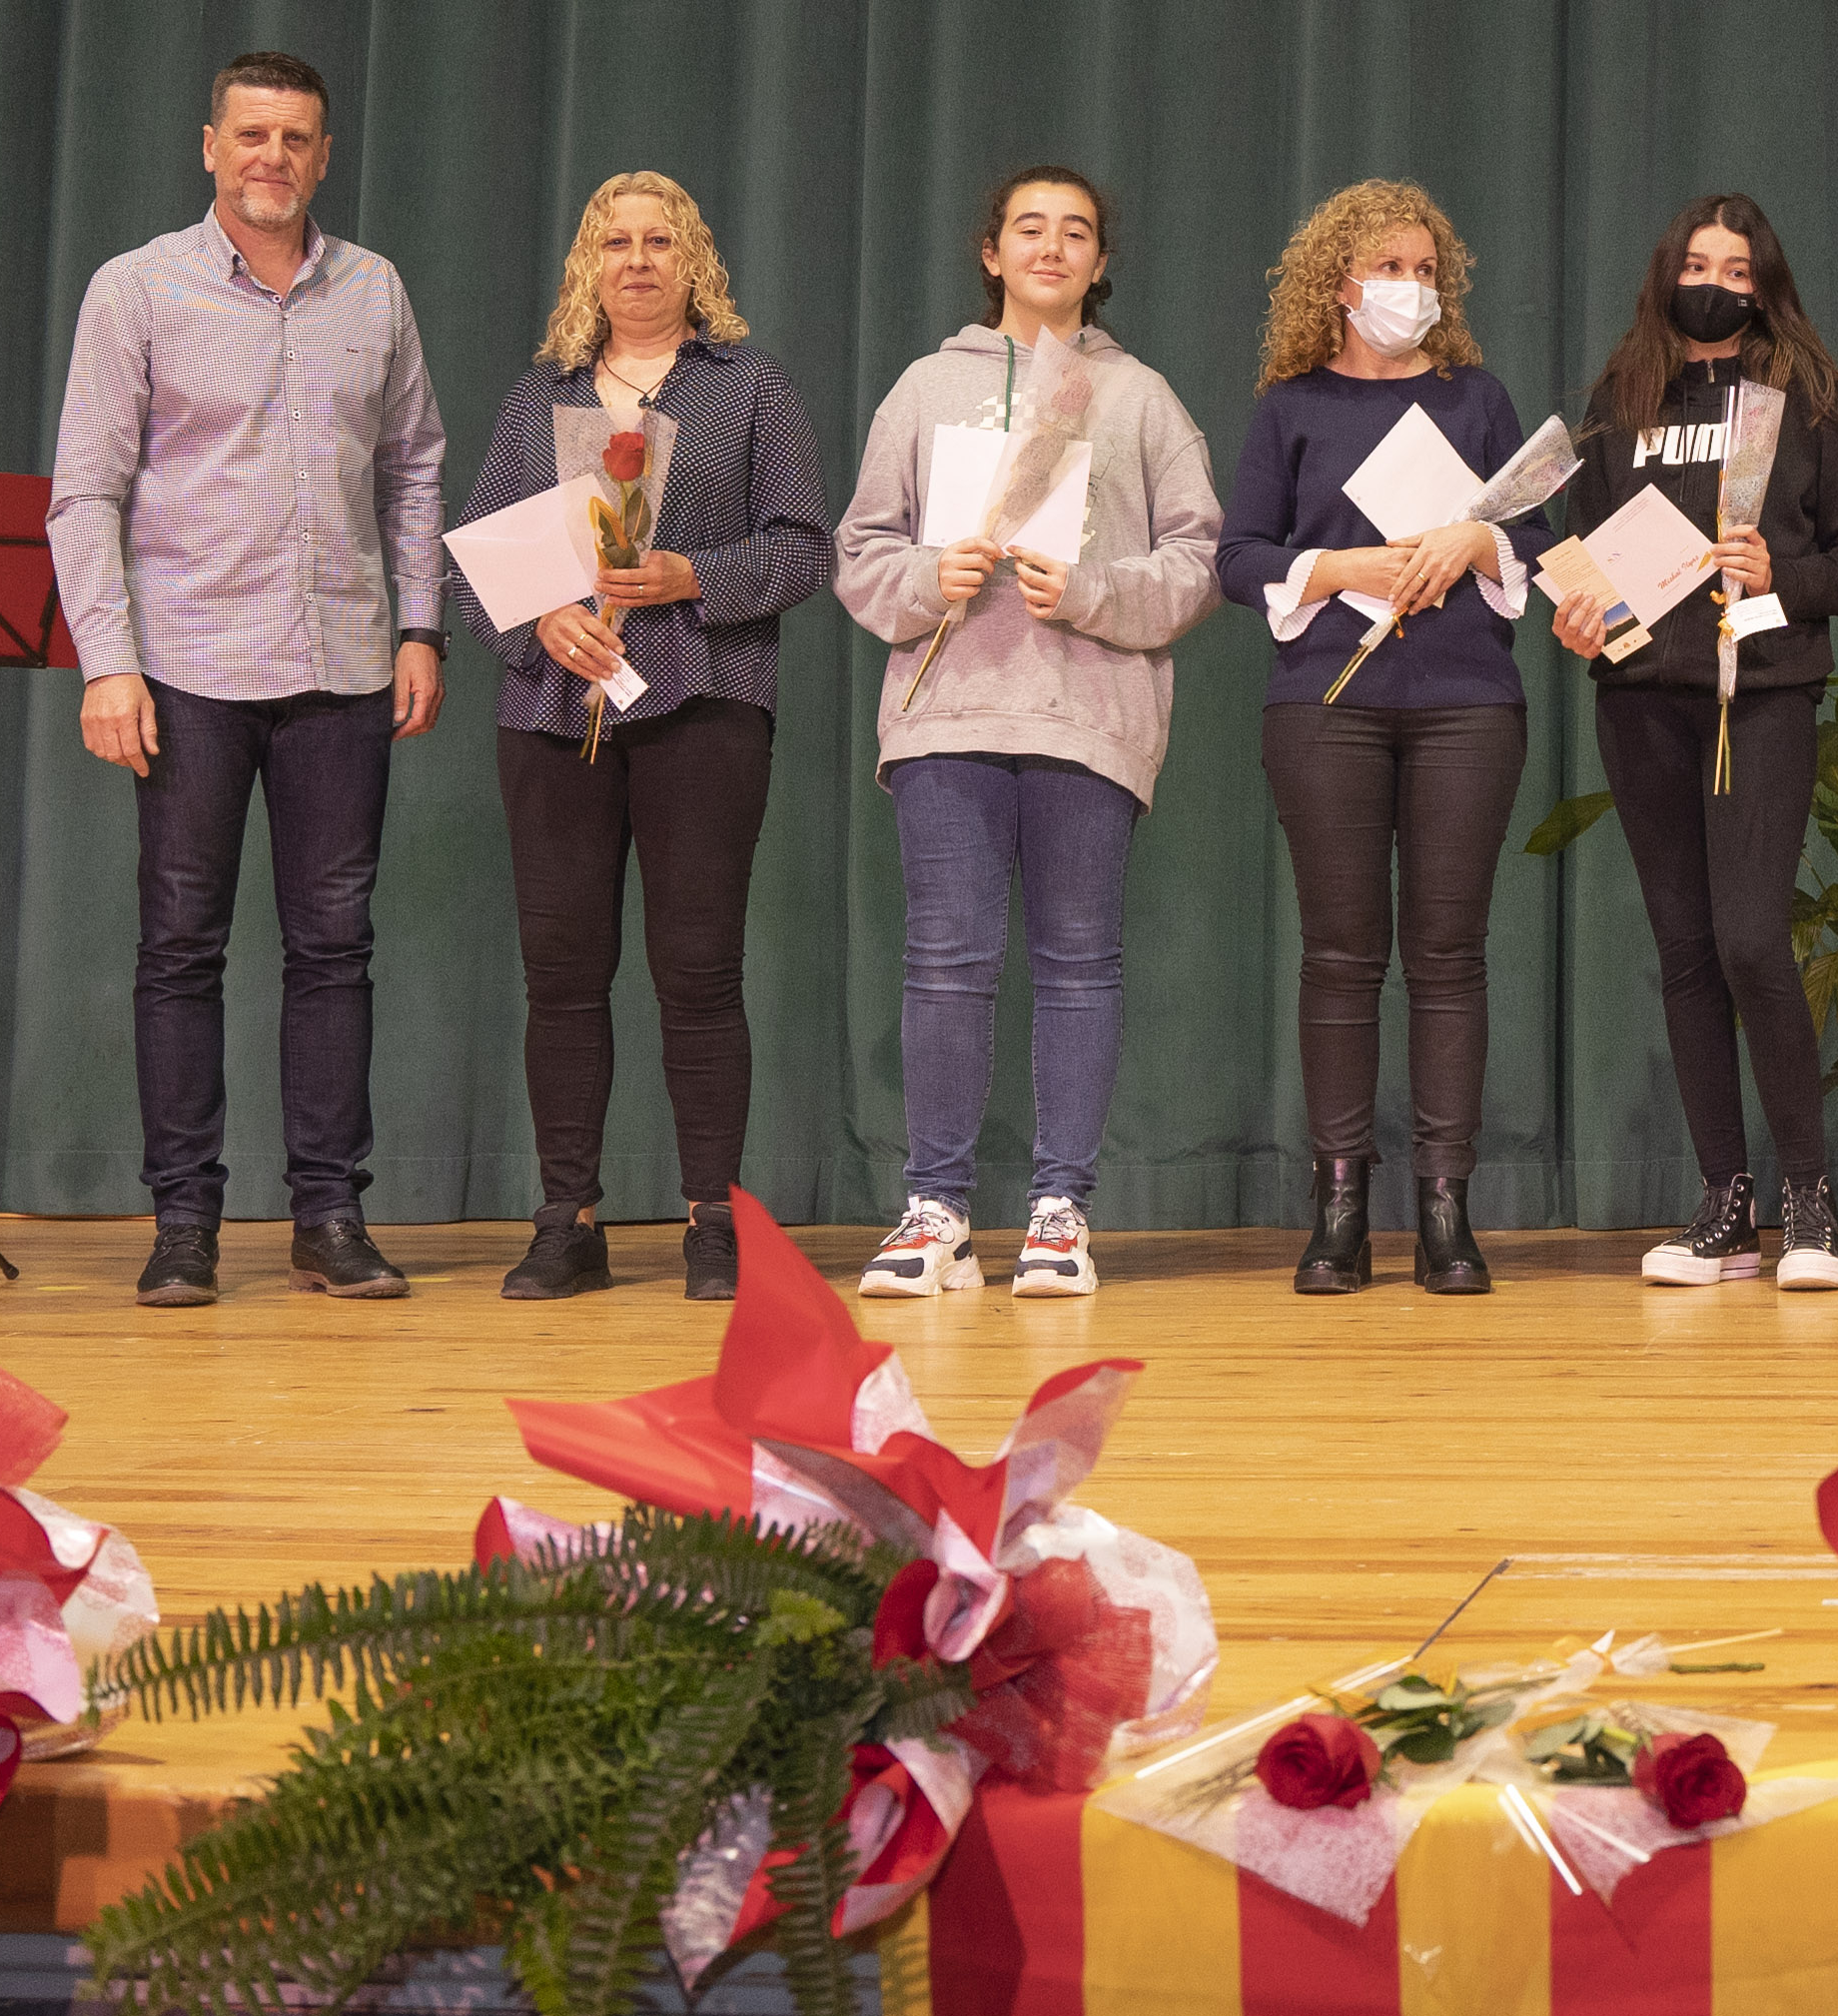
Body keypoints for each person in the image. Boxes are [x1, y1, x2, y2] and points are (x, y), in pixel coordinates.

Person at [47, 49, 447, 1311]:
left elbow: (414, 471)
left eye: (297, 137)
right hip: (187, 670)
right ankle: (185, 1223)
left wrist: (421, 629)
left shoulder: (374, 289)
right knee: (181, 948)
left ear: (324, 157)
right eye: (253, 134)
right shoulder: (137, 289)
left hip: (344, 667)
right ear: (210, 146)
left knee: (335, 948)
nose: (274, 156)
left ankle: (329, 1216)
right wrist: (108, 664)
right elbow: (85, 492)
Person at [834, 166, 1224, 1302]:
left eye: (1076, 233)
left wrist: (1091, 591)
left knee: (1078, 959)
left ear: (1101, 263)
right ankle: (938, 1211)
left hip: (1089, 718)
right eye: (1029, 228)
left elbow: (1201, 558)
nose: (1052, 247)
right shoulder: (924, 388)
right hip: (947, 716)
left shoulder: (1141, 397)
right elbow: (862, 548)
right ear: (991, 251)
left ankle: (1060, 1209)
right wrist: (930, 575)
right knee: (946, 961)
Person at [452, 173, 833, 1304]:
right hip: (553, 713)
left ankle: (714, 1220)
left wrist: (689, 575)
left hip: (705, 705)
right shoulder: (540, 399)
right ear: (590, 264)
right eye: (615, 242)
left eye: (659, 241)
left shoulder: (751, 387)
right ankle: (566, 1221)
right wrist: (541, 619)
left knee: (700, 971)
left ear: (691, 260)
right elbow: (469, 562)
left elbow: (804, 548)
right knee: (562, 974)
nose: (637, 259)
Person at [1546, 193, 1838, 1292]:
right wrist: (1580, 615)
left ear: (1764, 286)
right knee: (1686, 950)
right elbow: (1584, 552)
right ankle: (1724, 1204)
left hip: (1763, 694)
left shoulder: (1809, 403)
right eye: (1698, 264)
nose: (1715, 284)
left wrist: (1781, 575)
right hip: (1642, 699)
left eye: (1737, 270)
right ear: (1666, 274)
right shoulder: (1621, 400)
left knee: (1750, 941)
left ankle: (1808, 1201)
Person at [1222, 179, 1553, 1298]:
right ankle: (1340, 1207)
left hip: (1468, 702)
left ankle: (1447, 1208)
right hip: (1326, 704)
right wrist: (1340, 567)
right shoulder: (1291, 407)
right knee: (1340, 954)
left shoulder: (1478, 399)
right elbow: (1238, 557)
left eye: (1424, 270)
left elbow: (1538, 538)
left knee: (1450, 954)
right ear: (1337, 283)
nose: (1409, 287)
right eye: (1387, 268)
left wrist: (1478, 542)